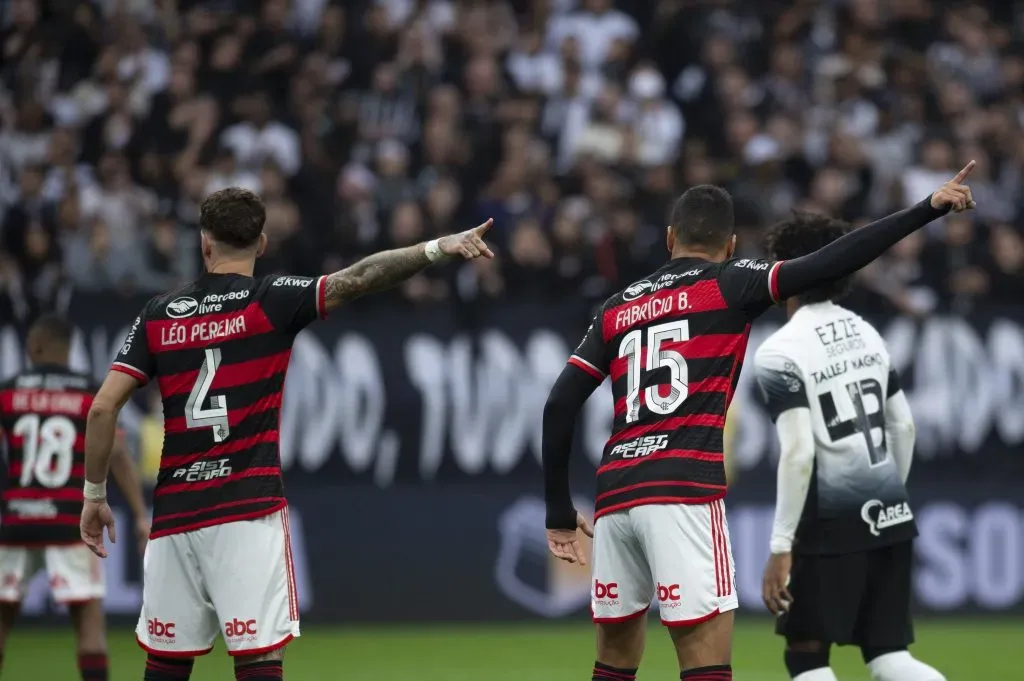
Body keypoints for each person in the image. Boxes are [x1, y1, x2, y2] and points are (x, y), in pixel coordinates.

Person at [540, 163, 976, 681]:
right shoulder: (729, 283)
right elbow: (832, 260)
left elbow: (559, 404)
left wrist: (558, 510)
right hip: (683, 490)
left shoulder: (617, 308)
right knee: (704, 662)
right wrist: (926, 209)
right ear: (730, 245)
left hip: (615, 497)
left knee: (612, 666)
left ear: (670, 238)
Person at [78, 187, 493, 681]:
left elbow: (102, 409)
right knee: (258, 660)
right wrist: (436, 247)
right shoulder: (271, 300)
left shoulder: (159, 313)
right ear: (262, 242)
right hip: (247, 511)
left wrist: (94, 495)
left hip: (175, 518)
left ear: (204, 243)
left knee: (166, 666)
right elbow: (360, 277)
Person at [753, 214, 946, 681]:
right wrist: (887, 494)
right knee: (889, 657)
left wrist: (780, 547)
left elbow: (799, 452)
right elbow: (903, 426)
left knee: (807, 656)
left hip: (827, 523)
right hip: (889, 515)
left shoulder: (779, 351)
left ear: (788, 268)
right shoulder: (866, 332)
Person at [0, 314, 149, 681]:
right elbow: (117, 454)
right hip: (70, 521)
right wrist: (139, 513)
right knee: (89, 625)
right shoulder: (88, 393)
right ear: (70, 351)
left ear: (34, 346)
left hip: (16, 520)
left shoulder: (8, 391)